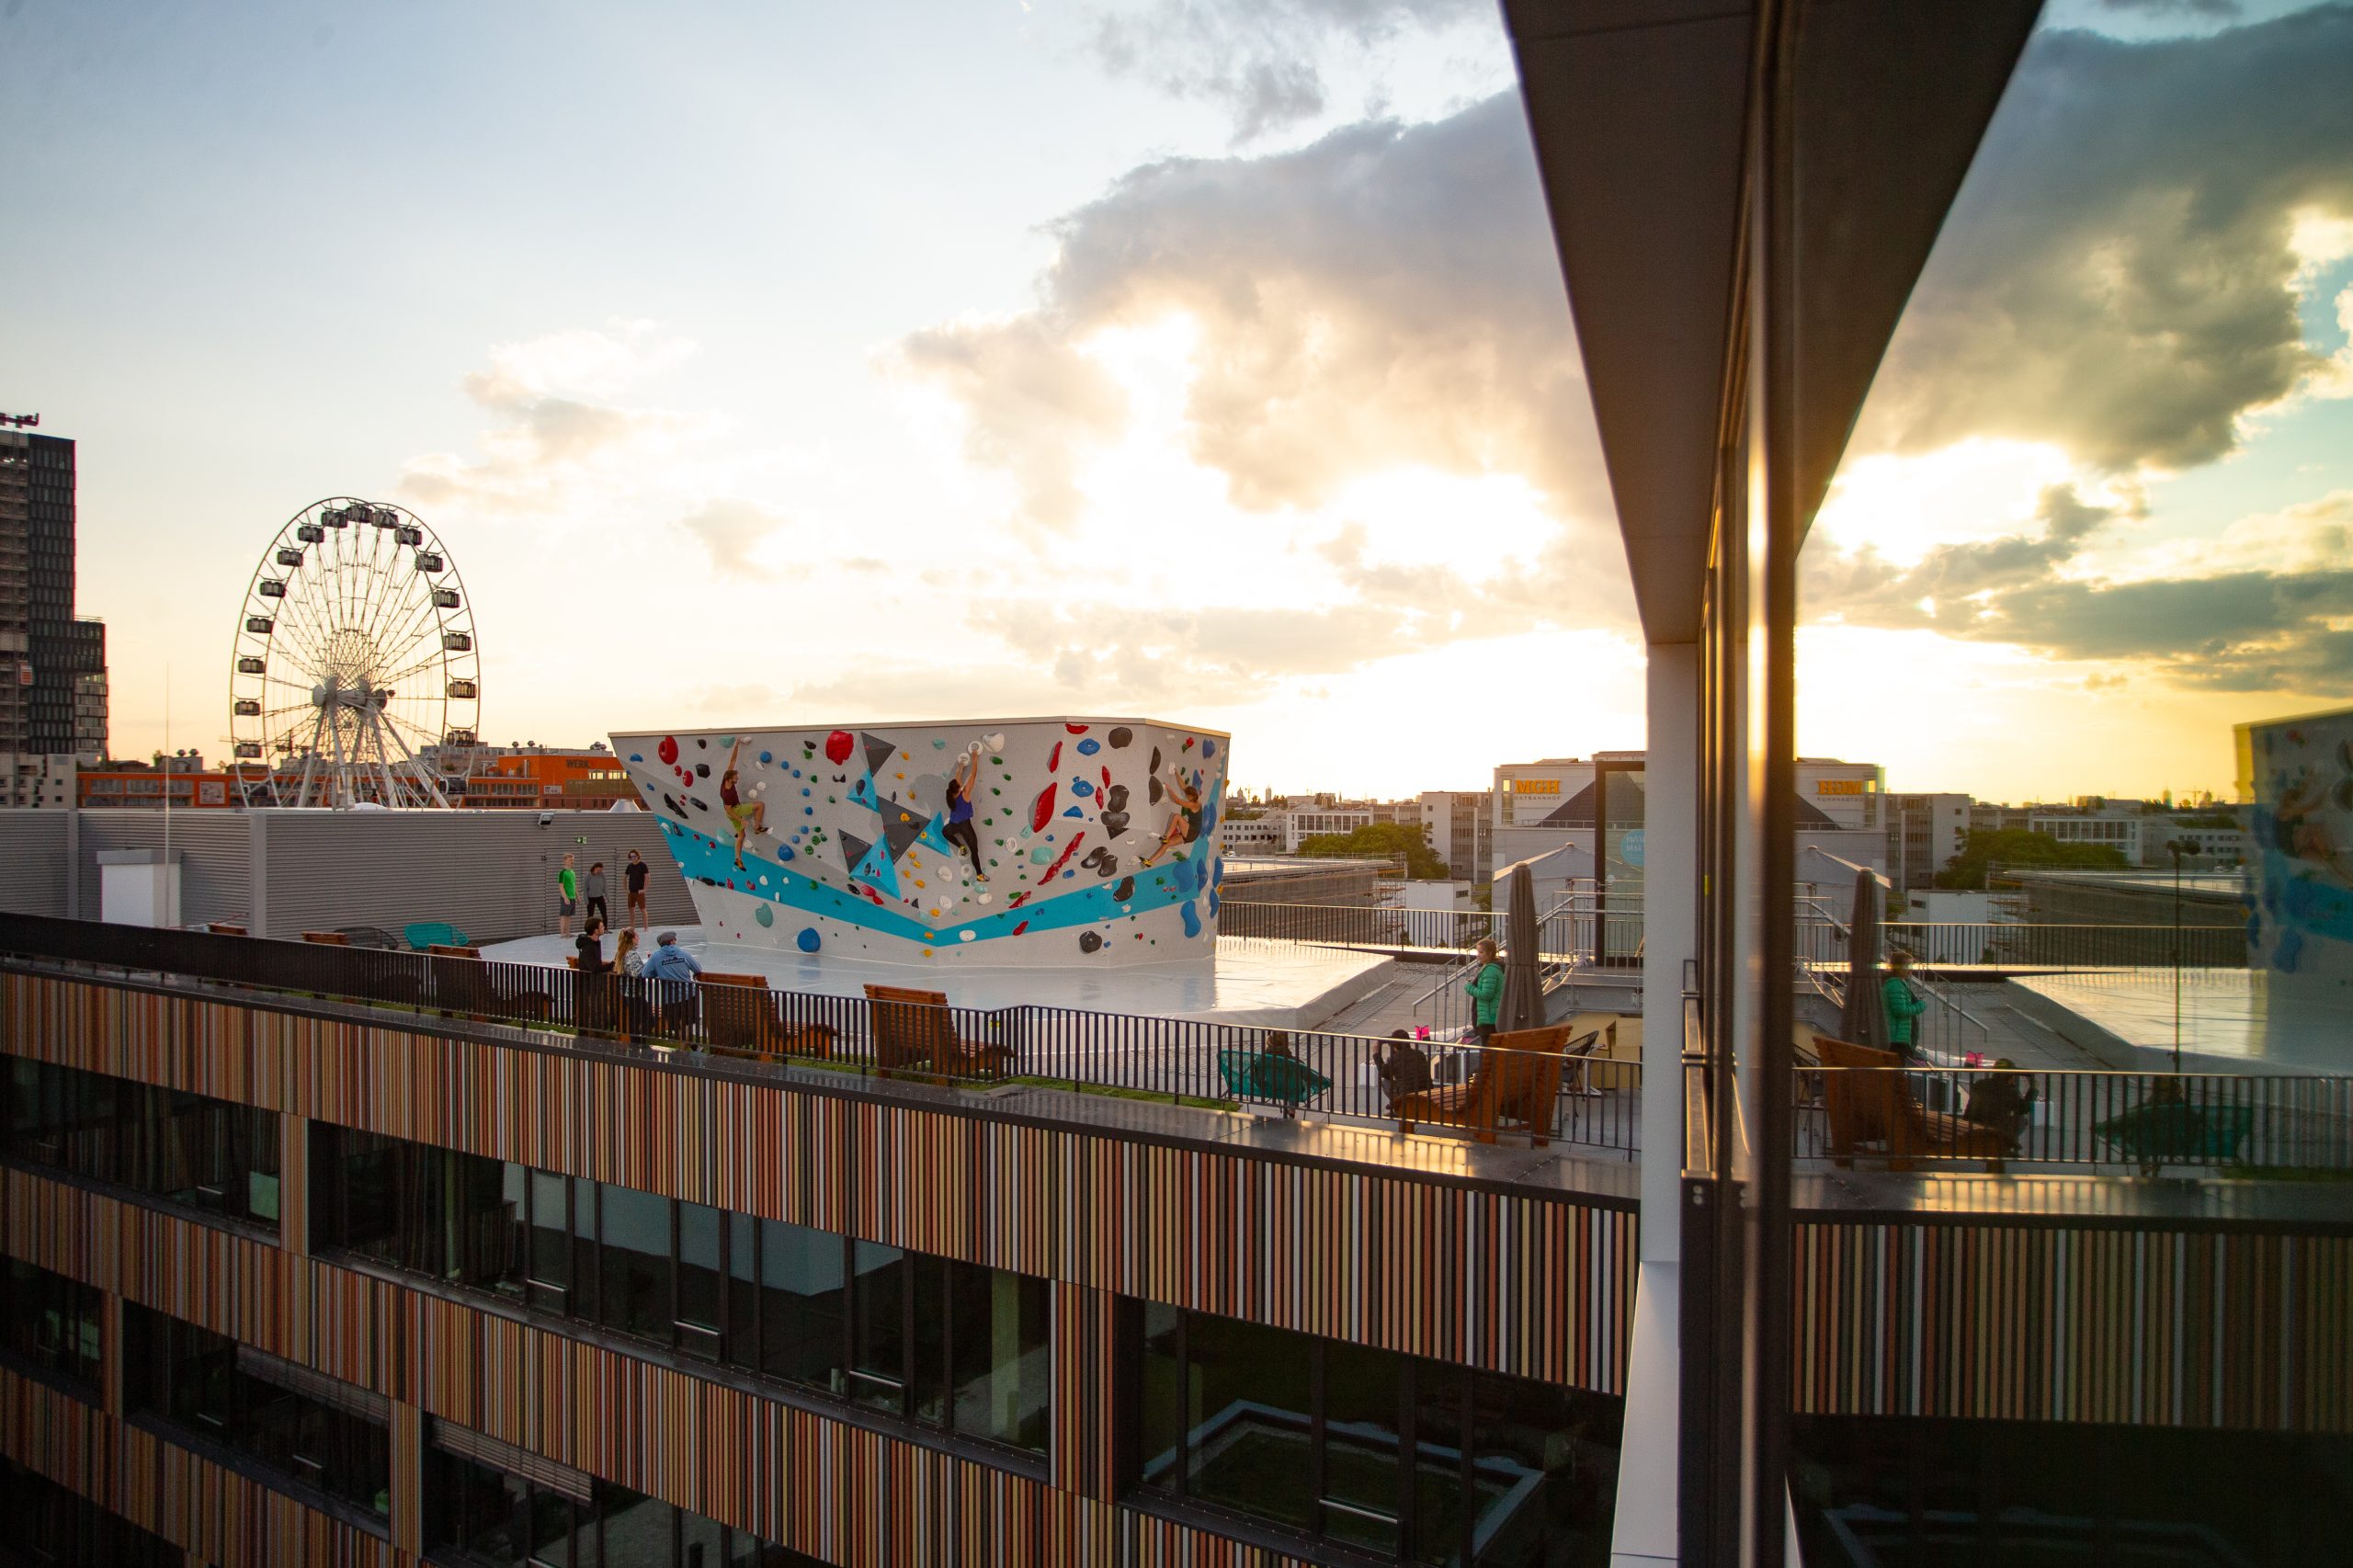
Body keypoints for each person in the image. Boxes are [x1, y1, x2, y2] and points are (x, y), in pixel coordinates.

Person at [1137, 766, 1206, 868]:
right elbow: (1183, 786)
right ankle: (1150, 862)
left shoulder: (1194, 804)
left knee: (1177, 817)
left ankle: (1166, 836)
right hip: (1191, 834)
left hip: (1192, 831)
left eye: (1187, 796)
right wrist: (1176, 772)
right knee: (1167, 844)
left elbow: (1177, 801)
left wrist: (1169, 789)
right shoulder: (1194, 799)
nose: (1186, 797)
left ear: (1190, 796)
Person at [1962, 1057, 2035, 1154]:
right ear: (2011, 1076)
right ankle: (2004, 1147)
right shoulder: (2009, 1091)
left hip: (1970, 1124)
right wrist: (2033, 1089)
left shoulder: (1980, 1083)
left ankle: (2003, 1146)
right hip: (1992, 1130)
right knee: (2021, 1120)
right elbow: (2024, 1109)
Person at [719, 738, 766, 870]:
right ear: (730, 779)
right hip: (735, 811)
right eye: (736, 777)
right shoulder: (726, 794)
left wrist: (737, 745)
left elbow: (732, 761)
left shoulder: (725, 778)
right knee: (760, 805)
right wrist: (741, 820)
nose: (737, 778)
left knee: (742, 835)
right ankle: (757, 827)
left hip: (732, 812)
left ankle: (738, 859)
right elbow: (729, 811)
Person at [942, 747, 987, 881]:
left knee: (944, 832)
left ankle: (960, 846)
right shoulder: (965, 793)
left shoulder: (949, 794)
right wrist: (974, 760)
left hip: (953, 824)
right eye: (960, 783)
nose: (961, 782)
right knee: (974, 850)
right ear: (958, 789)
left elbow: (957, 778)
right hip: (965, 826)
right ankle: (979, 874)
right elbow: (973, 775)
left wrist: (960, 767)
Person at [1881, 949, 1927, 1062]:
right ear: (1898, 967)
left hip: (1897, 1036)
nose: (1910, 969)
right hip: (1896, 1038)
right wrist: (1920, 1006)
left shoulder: (1896, 984)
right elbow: (1900, 1011)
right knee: (1896, 1072)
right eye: (1907, 966)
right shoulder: (1896, 985)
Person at [1374, 1028, 1432, 1108]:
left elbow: (1383, 1073)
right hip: (1427, 1093)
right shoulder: (1420, 1054)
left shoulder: (1395, 1059)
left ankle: (1398, 1106)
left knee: (1385, 1082)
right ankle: (1395, 1104)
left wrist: (1376, 1054)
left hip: (1408, 1097)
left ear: (1394, 1045)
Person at [1465, 937, 1505, 1048]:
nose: (1478, 955)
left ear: (1490, 953)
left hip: (1488, 1018)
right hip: (1490, 1017)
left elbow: (1486, 994)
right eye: (1477, 952)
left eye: (1481, 952)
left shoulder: (1490, 971)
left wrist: (1469, 987)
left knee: (1488, 1054)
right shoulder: (1492, 968)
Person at [624, 848, 651, 932]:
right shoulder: (630, 866)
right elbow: (624, 877)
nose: (633, 858)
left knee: (643, 909)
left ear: (638, 856)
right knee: (631, 909)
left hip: (639, 891)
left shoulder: (643, 865)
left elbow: (647, 877)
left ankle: (646, 927)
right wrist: (626, 888)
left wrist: (644, 889)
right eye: (631, 857)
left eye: (634, 856)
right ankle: (632, 927)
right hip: (631, 891)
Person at [556, 853, 577, 936]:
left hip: (572, 897)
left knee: (569, 916)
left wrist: (577, 896)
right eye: (570, 860)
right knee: (564, 916)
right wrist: (565, 898)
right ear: (565, 861)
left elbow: (574, 885)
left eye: (572, 860)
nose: (572, 861)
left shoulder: (572, 872)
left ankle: (568, 933)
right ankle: (562, 934)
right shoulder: (562, 873)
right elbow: (561, 887)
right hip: (566, 897)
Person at [585, 861, 608, 928]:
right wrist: (586, 900)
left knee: (604, 913)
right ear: (594, 868)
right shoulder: (588, 876)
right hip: (591, 898)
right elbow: (585, 889)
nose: (599, 871)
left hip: (600, 897)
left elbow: (605, 886)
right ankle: (589, 929)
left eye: (601, 870)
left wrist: (608, 897)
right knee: (590, 915)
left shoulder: (602, 875)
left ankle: (605, 928)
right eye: (598, 870)